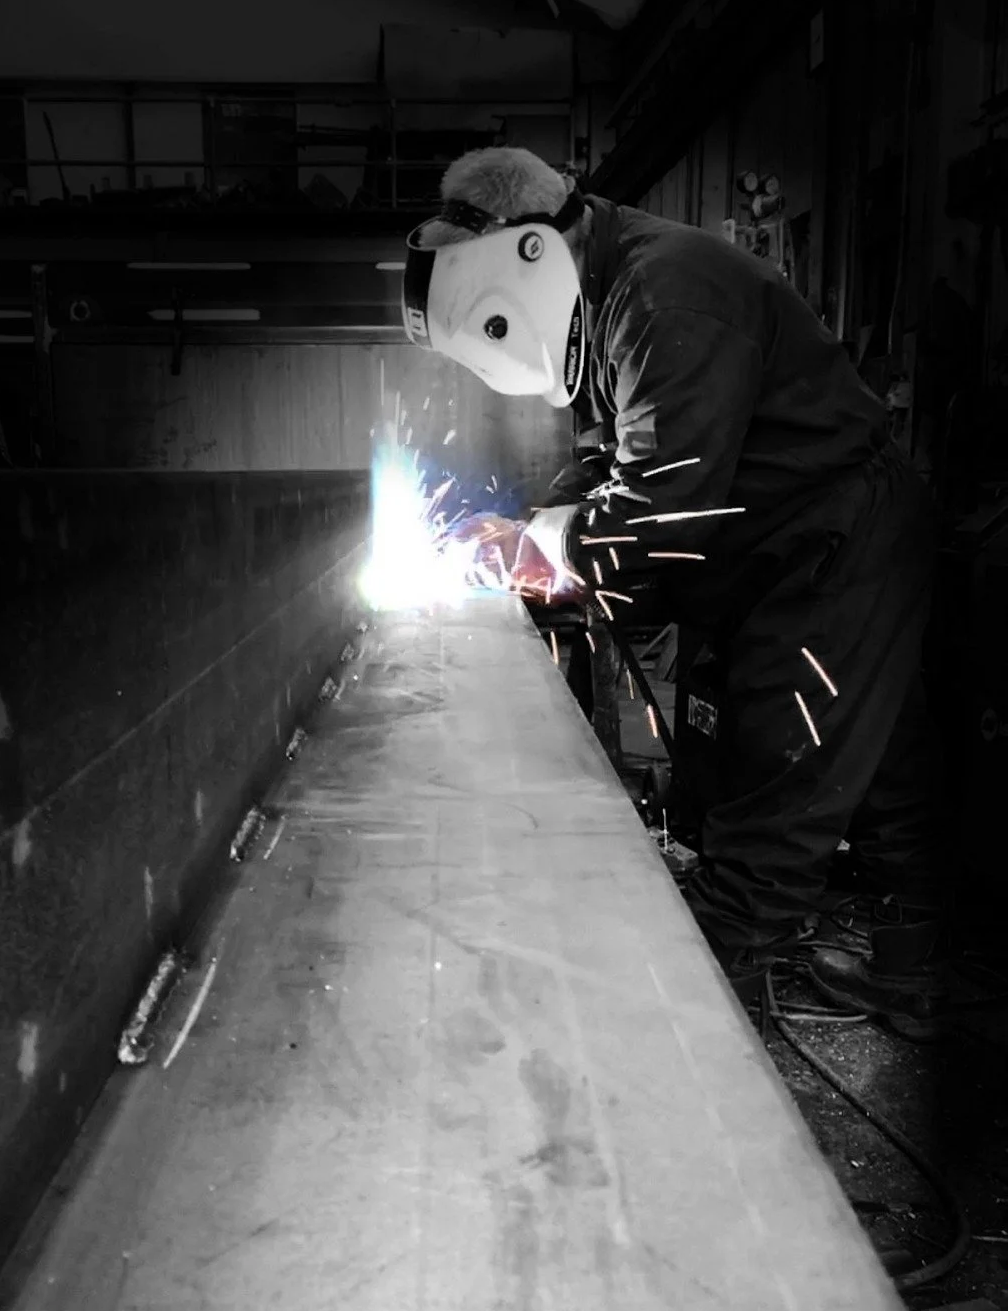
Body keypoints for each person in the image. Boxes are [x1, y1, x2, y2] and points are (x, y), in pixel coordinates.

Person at [400, 146, 946, 1041]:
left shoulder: (663, 292)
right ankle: (908, 968)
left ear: (524, 248)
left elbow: (666, 503)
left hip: (834, 532)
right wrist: (543, 528)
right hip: (783, 532)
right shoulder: (608, 284)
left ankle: (686, 1019)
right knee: (879, 749)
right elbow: (615, 452)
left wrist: (542, 545)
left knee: (785, 756)